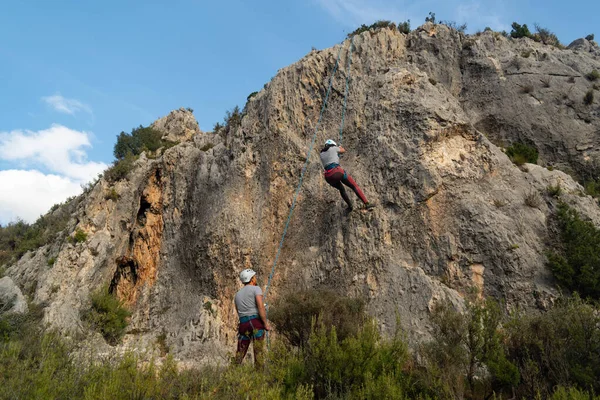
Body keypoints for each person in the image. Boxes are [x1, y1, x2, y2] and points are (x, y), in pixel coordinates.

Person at [320, 139, 374, 211]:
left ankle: (350, 206)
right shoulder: (334, 148)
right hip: (337, 171)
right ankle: (367, 204)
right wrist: (339, 147)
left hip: (328, 176)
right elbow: (343, 150)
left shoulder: (321, 153)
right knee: (354, 186)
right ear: (333, 144)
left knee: (341, 189)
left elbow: (330, 158)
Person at [234, 268, 270, 368]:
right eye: (254, 277)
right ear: (251, 279)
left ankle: (232, 372)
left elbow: (239, 311)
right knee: (258, 352)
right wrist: (265, 324)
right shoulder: (256, 289)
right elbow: (260, 307)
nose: (255, 278)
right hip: (255, 322)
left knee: (240, 353)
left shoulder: (237, 295)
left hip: (243, 323)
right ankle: (259, 376)